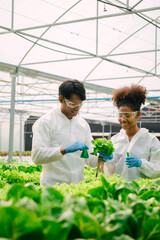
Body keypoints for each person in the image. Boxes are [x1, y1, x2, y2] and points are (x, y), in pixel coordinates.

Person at [31, 80, 109, 186]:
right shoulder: (45, 122)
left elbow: (90, 159)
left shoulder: (83, 125)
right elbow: (37, 156)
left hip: (78, 187)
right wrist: (64, 150)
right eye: (72, 104)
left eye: (80, 104)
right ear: (61, 99)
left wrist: (101, 157)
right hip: (53, 188)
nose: (77, 108)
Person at [104, 84, 160, 181]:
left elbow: (158, 169)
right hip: (117, 191)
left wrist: (142, 164)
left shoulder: (151, 140)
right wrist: (109, 160)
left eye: (128, 115)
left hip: (141, 192)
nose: (123, 119)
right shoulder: (114, 140)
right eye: (120, 115)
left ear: (138, 114)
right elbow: (109, 172)